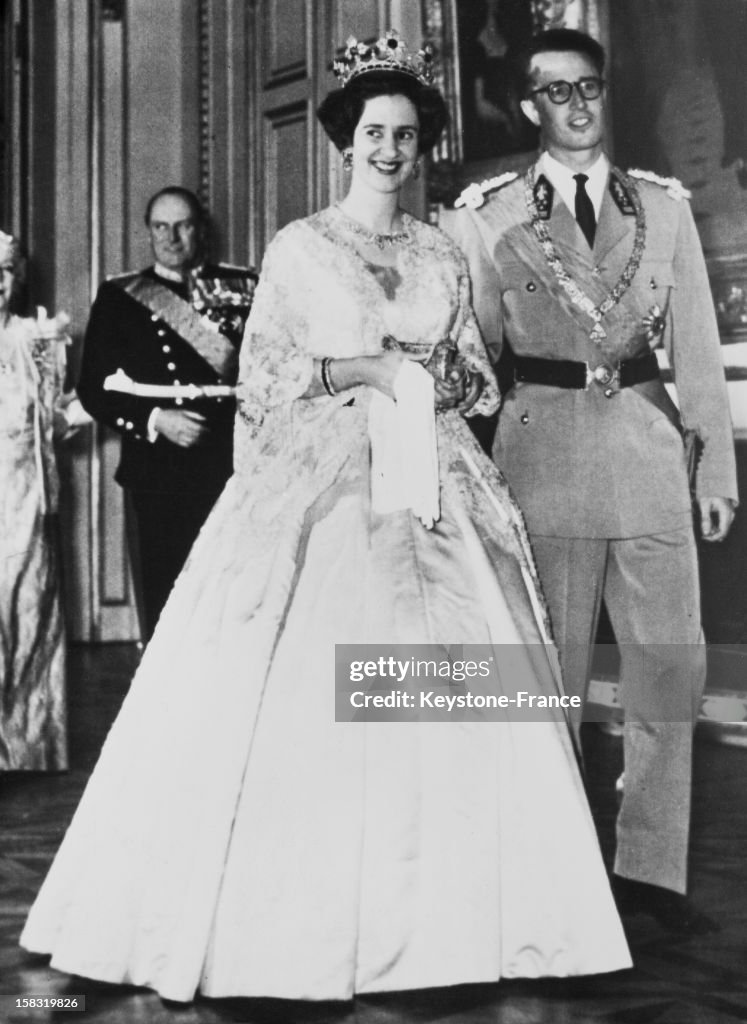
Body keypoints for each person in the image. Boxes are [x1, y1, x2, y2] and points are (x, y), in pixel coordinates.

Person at [21, 32, 630, 1002]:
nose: (390, 149)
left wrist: (438, 373)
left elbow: (476, 373)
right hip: (331, 477)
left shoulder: (438, 247)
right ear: (346, 139)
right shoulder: (302, 248)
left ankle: (457, 921)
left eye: (406, 134)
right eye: (374, 132)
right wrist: (359, 368)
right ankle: (316, 921)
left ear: (422, 145)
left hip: (438, 482)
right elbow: (263, 378)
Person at [444, 27, 738, 934]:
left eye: (588, 88)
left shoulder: (663, 208)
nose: (575, 106)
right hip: (544, 457)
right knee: (549, 681)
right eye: (554, 91)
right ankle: (556, 863)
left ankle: (650, 871)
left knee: (663, 674)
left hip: (651, 456)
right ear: (529, 105)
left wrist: (713, 470)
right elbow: (477, 358)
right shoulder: (486, 216)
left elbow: (692, 349)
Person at [77, 187, 258, 639]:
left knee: (231, 599)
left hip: (232, 464)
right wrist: (155, 420)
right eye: (161, 226)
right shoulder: (121, 298)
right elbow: (93, 390)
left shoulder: (242, 288)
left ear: (200, 229)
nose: (171, 237)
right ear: (149, 231)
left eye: (183, 225)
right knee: (167, 601)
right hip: (158, 471)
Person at [0, 231, 85, 769]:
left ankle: (23, 748)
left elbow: (61, 415)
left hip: (24, 496)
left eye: (3, 273)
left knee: (25, 613)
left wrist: (94, 405)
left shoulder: (39, 340)